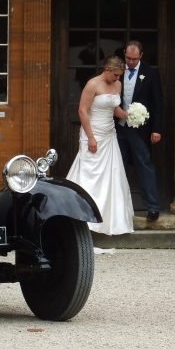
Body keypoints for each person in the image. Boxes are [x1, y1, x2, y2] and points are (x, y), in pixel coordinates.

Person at [66, 55, 134, 235]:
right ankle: (84, 220)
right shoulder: (92, 84)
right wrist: (91, 137)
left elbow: (114, 109)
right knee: (90, 173)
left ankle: (108, 220)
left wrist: (129, 115)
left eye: (119, 76)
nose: (117, 79)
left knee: (111, 173)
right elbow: (82, 111)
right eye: (115, 75)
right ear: (107, 70)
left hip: (109, 134)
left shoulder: (117, 85)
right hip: (93, 132)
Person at [116, 40, 164, 221]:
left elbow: (158, 104)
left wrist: (157, 129)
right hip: (119, 128)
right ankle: (118, 207)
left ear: (141, 56)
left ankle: (152, 207)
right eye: (128, 58)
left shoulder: (151, 73)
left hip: (140, 130)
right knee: (117, 167)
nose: (130, 62)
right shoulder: (118, 71)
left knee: (144, 166)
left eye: (134, 59)